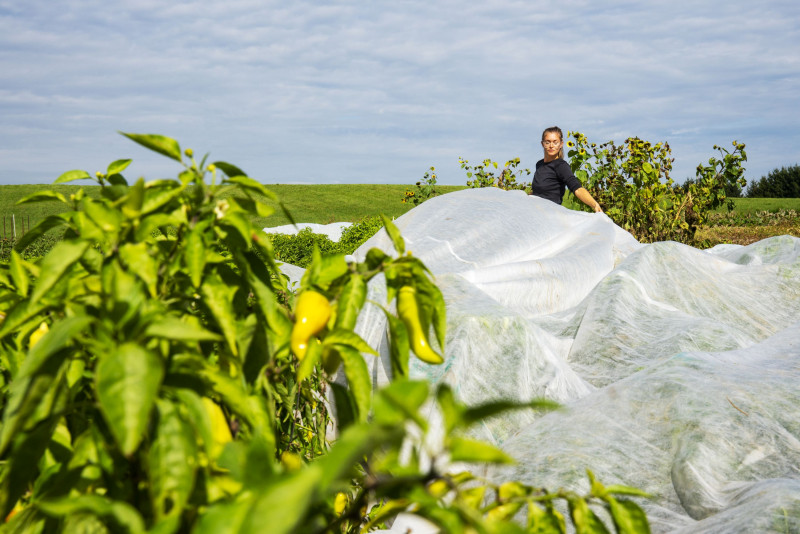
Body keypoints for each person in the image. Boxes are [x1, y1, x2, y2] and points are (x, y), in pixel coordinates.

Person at [530, 126, 603, 213]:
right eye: (547, 142)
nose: (551, 146)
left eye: (555, 142)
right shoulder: (539, 164)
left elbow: (577, 188)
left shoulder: (561, 166)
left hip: (550, 214)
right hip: (535, 212)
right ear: (542, 144)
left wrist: (594, 204)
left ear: (561, 144)